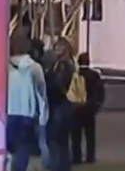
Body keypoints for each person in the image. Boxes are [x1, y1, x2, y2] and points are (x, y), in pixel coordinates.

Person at [5, 33, 47, 171]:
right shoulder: (35, 68)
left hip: (8, 112)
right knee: (23, 148)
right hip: (27, 113)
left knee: (9, 148)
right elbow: (41, 92)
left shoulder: (4, 67)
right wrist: (43, 115)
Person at [44, 38, 78, 171]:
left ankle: (57, 166)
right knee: (62, 141)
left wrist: (47, 80)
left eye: (58, 47)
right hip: (64, 107)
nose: (55, 49)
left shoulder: (63, 66)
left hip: (60, 106)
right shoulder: (68, 64)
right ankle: (63, 166)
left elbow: (58, 86)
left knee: (55, 139)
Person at [70, 52, 104, 165]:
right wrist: (96, 105)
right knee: (90, 135)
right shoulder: (94, 75)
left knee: (76, 136)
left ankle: (76, 157)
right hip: (89, 108)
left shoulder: (75, 74)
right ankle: (90, 157)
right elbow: (100, 92)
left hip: (76, 108)